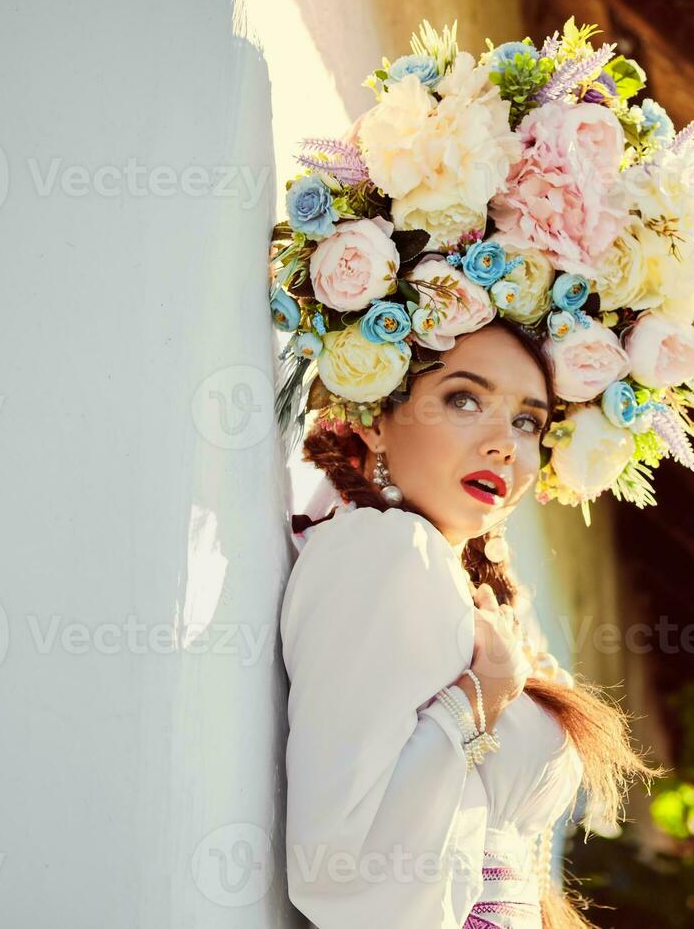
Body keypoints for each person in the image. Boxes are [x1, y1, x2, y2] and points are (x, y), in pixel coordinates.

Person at [281, 318, 662, 929]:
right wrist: (483, 696)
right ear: (376, 421)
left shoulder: (456, 585)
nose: (504, 443)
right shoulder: (389, 550)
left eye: (527, 421)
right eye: (464, 400)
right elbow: (335, 865)